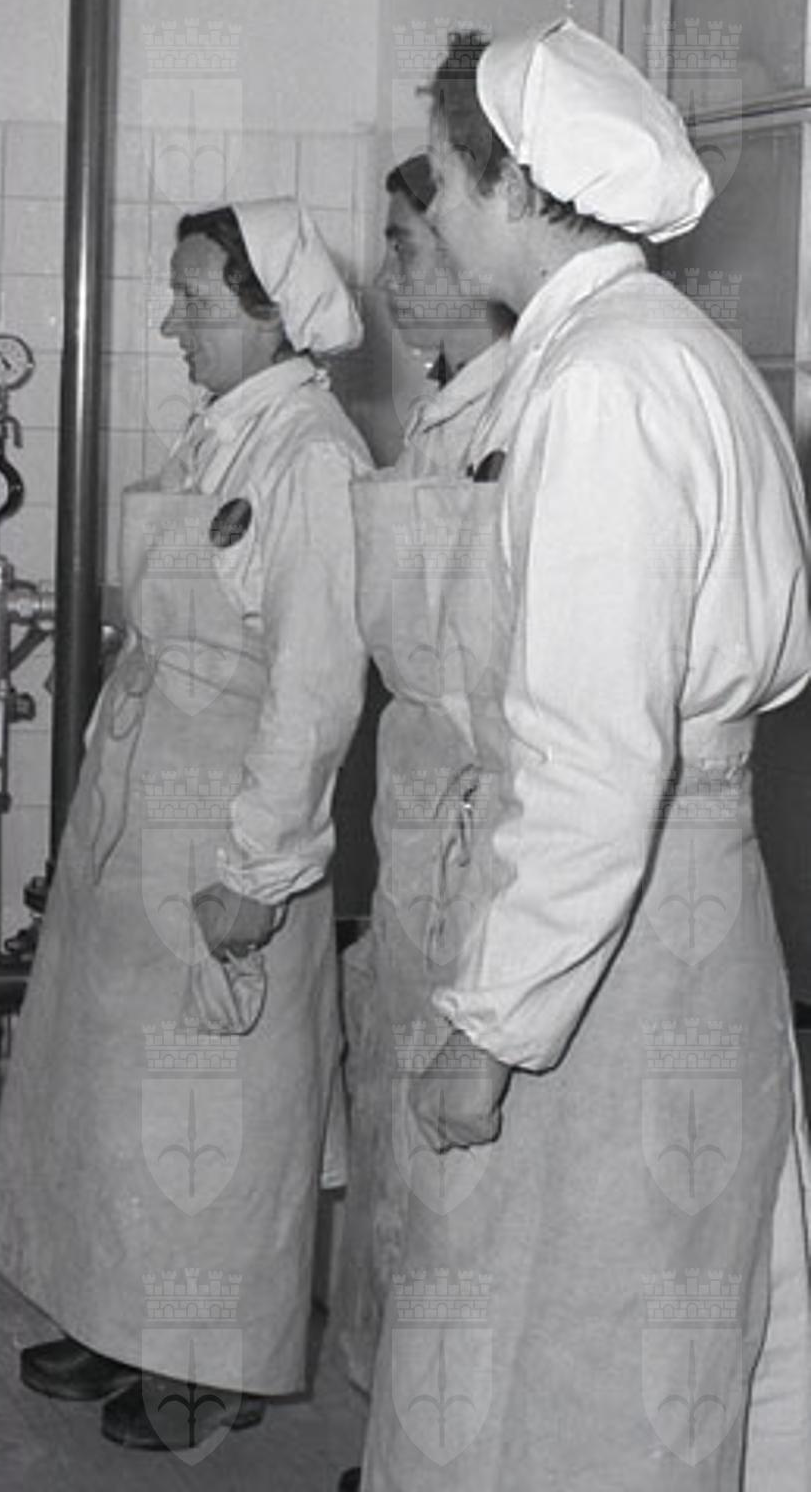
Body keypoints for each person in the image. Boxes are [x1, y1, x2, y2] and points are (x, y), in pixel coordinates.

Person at [358, 21, 811, 1490]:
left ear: (513, 184)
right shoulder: (657, 350)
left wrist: (491, 1027)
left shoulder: (604, 384)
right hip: (660, 913)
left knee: (575, 1361)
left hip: (615, 946)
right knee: (621, 1340)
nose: (431, 208)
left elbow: (597, 761)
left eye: (442, 175)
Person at [0, 199, 372, 1454]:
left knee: (214, 1106)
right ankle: (116, 1312)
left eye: (192, 300)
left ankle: (210, 1357)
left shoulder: (310, 455)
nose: (168, 322)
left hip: (227, 821)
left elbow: (313, 689)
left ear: (270, 313)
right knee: (116, 1094)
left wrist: (257, 868)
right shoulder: (222, 428)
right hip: (141, 809)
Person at [332, 142, 513, 1482]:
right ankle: (402, 1437)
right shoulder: (444, 409)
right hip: (414, 827)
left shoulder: (533, 409)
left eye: (405, 242)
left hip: (477, 840)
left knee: (464, 1182)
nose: (390, 272)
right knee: (401, 1158)